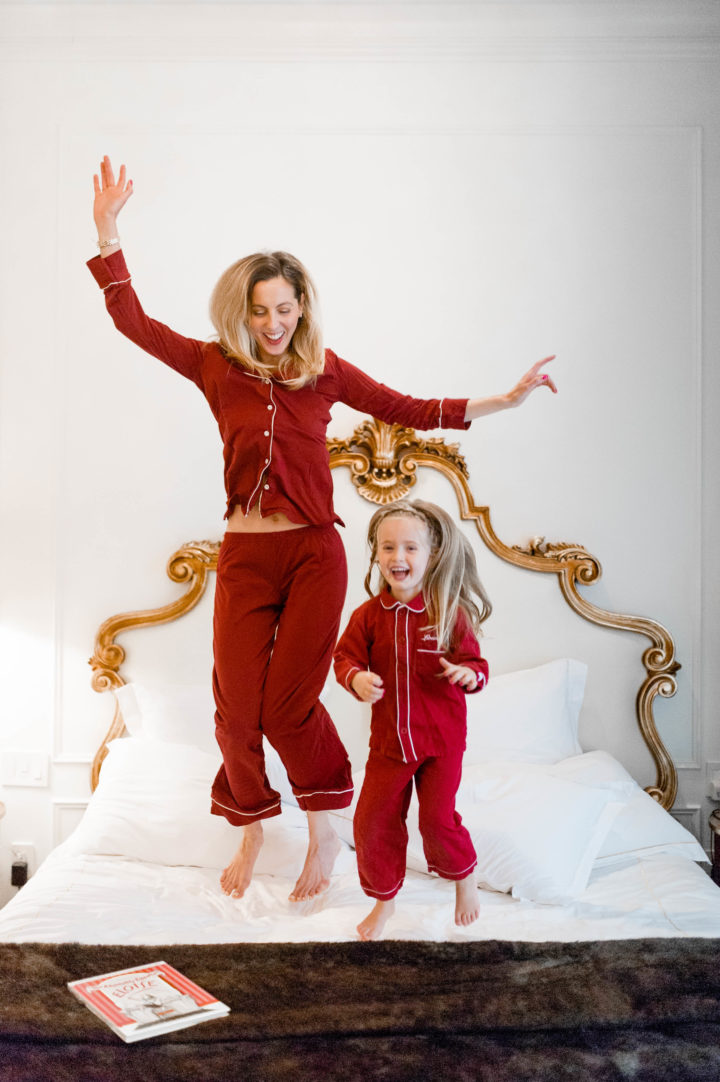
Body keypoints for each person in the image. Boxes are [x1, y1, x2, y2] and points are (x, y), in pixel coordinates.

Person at [88, 155, 557, 906]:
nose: (274, 324)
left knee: (286, 708)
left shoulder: (326, 373)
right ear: (239, 313)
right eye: (260, 311)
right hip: (245, 554)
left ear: (302, 307)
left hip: (314, 553)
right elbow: (133, 322)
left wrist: (502, 399)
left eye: (285, 308)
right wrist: (108, 231)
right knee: (236, 709)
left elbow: (407, 407)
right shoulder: (213, 366)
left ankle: (323, 824)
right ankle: (249, 821)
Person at [333, 499, 492, 940]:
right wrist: (356, 677)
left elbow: (478, 667)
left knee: (436, 821)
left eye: (409, 548)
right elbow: (343, 658)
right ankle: (384, 903)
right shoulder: (367, 617)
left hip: (441, 743)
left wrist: (466, 674)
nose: (397, 558)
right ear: (376, 554)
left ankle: (465, 880)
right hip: (390, 744)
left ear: (432, 555)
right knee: (371, 821)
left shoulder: (447, 613)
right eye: (387, 548)